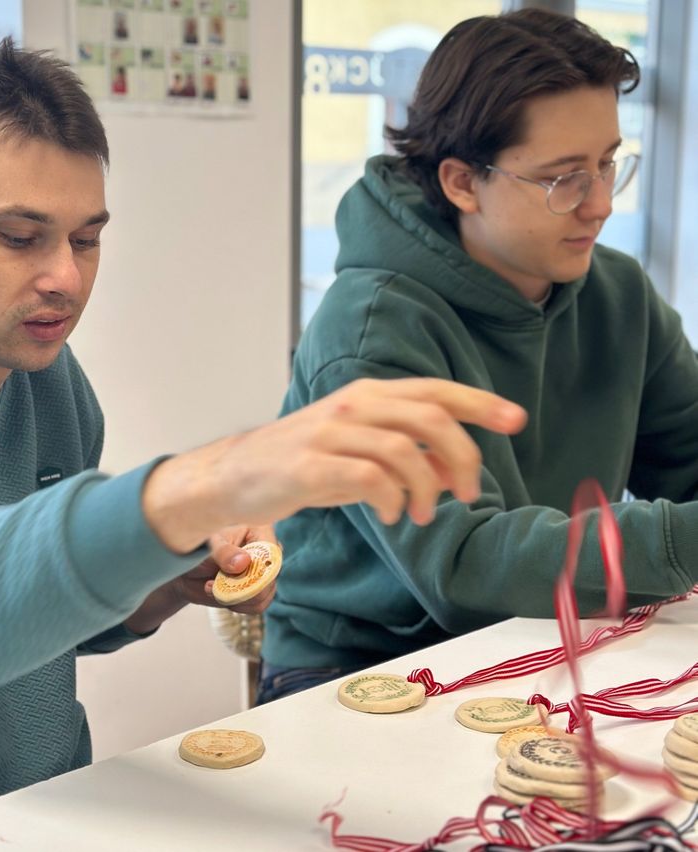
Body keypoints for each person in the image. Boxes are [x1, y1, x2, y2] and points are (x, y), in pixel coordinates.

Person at [0, 38, 526, 847]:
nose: (64, 276)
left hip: (47, 819)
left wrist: (170, 575)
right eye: (21, 237)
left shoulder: (48, 378)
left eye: (86, 238)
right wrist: (208, 481)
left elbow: (37, 624)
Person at [258, 7, 698, 704]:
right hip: (365, 669)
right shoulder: (371, 330)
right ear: (462, 181)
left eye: (610, 163)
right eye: (563, 179)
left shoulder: (617, 293)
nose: (601, 205)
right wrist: (675, 543)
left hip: (548, 640)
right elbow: (466, 570)